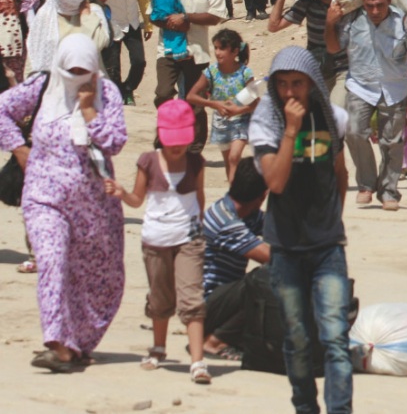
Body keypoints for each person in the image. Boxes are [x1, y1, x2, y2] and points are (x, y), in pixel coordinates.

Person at [0, 34, 127, 372]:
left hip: (94, 205)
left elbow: (115, 142)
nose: (77, 79)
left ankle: (78, 342)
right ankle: (57, 344)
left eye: (84, 72)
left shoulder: (107, 93)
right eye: (71, 71)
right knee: (52, 263)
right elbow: (2, 110)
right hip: (43, 198)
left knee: (97, 276)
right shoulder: (42, 87)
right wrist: (18, 147)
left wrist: (88, 111)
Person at [248, 46, 352, 414]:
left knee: (336, 337)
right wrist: (291, 131)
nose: (290, 92)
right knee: (296, 338)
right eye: (282, 84)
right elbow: (275, 183)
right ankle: (306, 407)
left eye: (297, 83)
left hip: (327, 247)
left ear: (311, 84)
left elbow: (340, 173)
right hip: (286, 246)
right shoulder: (265, 123)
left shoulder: (333, 118)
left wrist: (333, 220)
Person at [104, 99, 210, 383]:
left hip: (189, 240)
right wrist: (122, 193)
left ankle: (198, 362)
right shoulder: (148, 162)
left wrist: (202, 226)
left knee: (192, 298)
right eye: (172, 140)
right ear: (161, 135)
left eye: (182, 140)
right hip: (155, 240)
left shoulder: (196, 163)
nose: (177, 147)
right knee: (160, 297)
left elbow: (200, 198)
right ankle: (158, 348)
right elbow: (137, 200)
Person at [325, 0, 407, 211]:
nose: (375, 11)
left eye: (379, 5)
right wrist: (330, 24)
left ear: (388, 1)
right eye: (370, 6)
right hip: (360, 87)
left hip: (394, 89)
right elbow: (333, 48)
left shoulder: (404, 23)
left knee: (392, 143)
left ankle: (389, 191)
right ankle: (366, 184)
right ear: (363, 3)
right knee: (353, 132)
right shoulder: (353, 21)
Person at [154, 0, 229, 153]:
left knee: (195, 103)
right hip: (167, 50)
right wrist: (171, 22)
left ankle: (194, 150)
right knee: (163, 94)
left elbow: (216, 16)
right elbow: (152, 14)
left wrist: (186, 18)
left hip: (197, 52)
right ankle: (164, 139)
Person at [202, 157, 270, 360]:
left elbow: (278, 228)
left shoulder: (245, 212)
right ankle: (214, 341)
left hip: (224, 298)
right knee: (266, 278)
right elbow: (271, 257)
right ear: (263, 195)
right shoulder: (226, 221)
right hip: (207, 304)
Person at [187, 28, 257, 181]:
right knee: (229, 163)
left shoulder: (245, 73)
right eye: (216, 48)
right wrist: (214, 104)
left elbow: (256, 102)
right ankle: (234, 191)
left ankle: (236, 192)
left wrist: (239, 110)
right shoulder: (211, 72)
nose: (218, 53)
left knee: (234, 157)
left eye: (222, 48)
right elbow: (191, 96)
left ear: (235, 51)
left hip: (241, 122)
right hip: (221, 123)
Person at [25, 0, 110, 76]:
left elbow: (98, 44)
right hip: (56, 82)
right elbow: (35, 53)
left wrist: (86, 17)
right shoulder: (46, 16)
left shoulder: (93, 10)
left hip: (90, 81)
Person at [94, 0, 151, 105]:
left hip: (132, 22)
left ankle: (128, 88)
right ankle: (118, 96)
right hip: (112, 25)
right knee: (113, 65)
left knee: (139, 61)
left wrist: (147, 24)